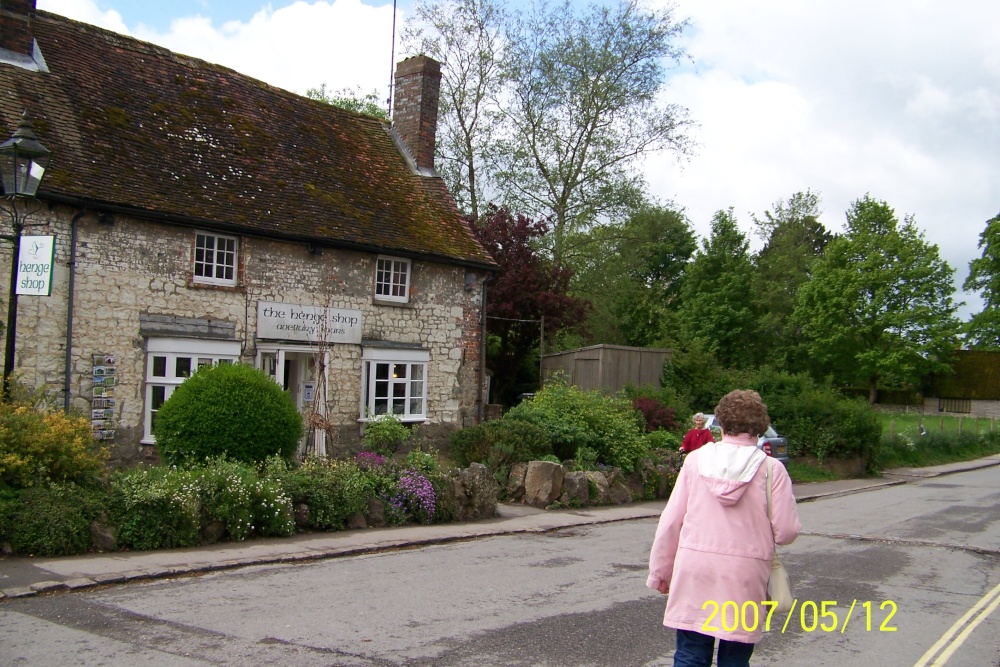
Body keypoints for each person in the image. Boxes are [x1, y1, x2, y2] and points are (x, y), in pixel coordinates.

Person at [648, 389, 801, 667]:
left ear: (720, 423)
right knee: (735, 658)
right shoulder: (771, 470)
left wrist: (660, 572)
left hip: (695, 569)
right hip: (743, 576)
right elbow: (786, 532)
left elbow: (671, 520)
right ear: (760, 426)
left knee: (690, 654)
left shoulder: (695, 461)